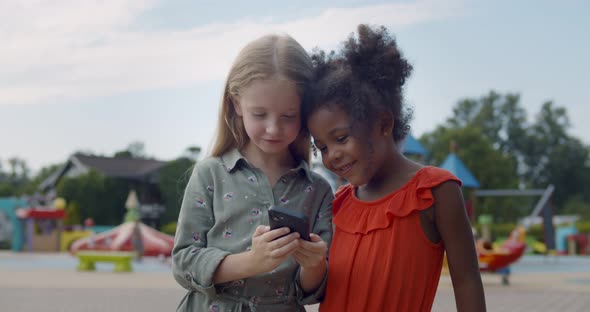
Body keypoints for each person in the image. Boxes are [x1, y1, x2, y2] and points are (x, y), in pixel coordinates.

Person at [304, 24, 486, 311]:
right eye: (322, 147)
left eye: (341, 138)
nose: (332, 156)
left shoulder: (434, 192)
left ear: (384, 124)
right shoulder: (338, 205)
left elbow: (467, 281)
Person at [172, 33, 334, 312]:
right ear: (236, 104)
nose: (273, 128)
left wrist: (315, 264)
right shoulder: (209, 174)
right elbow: (184, 262)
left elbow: (312, 292)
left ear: (304, 112)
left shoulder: (318, 190)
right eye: (260, 114)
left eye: (288, 116)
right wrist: (252, 261)